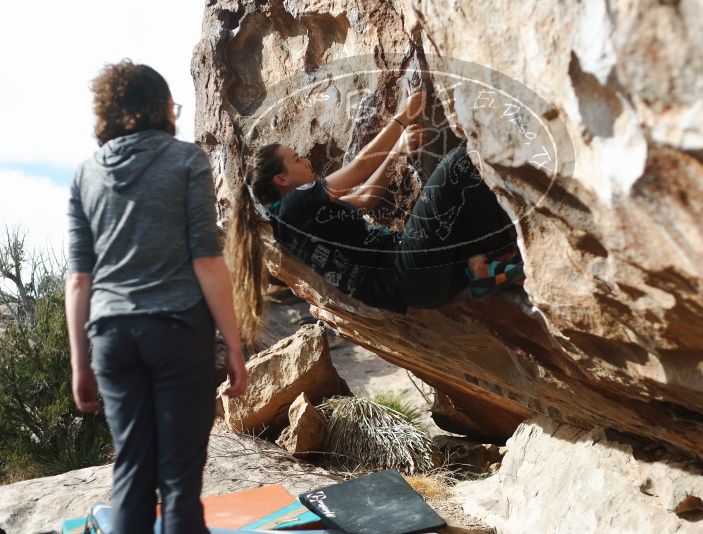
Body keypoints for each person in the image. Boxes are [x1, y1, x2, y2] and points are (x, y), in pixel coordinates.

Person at [65, 59, 247, 534]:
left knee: (131, 471)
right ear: (162, 108)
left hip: (111, 337)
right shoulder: (186, 160)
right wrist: (233, 345)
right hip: (176, 330)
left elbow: (78, 280)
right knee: (179, 480)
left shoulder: (86, 175)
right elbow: (207, 261)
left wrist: (80, 364)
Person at [226, 88, 524, 345]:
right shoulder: (295, 205)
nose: (304, 159)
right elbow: (358, 168)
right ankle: (503, 251)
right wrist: (403, 116)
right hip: (408, 268)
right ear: (281, 179)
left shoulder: (291, 225)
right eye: (295, 159)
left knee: (455, 213)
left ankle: (481, 268)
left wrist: (396, 152)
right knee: (458, 161)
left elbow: (368, 197)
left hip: (426, 289)